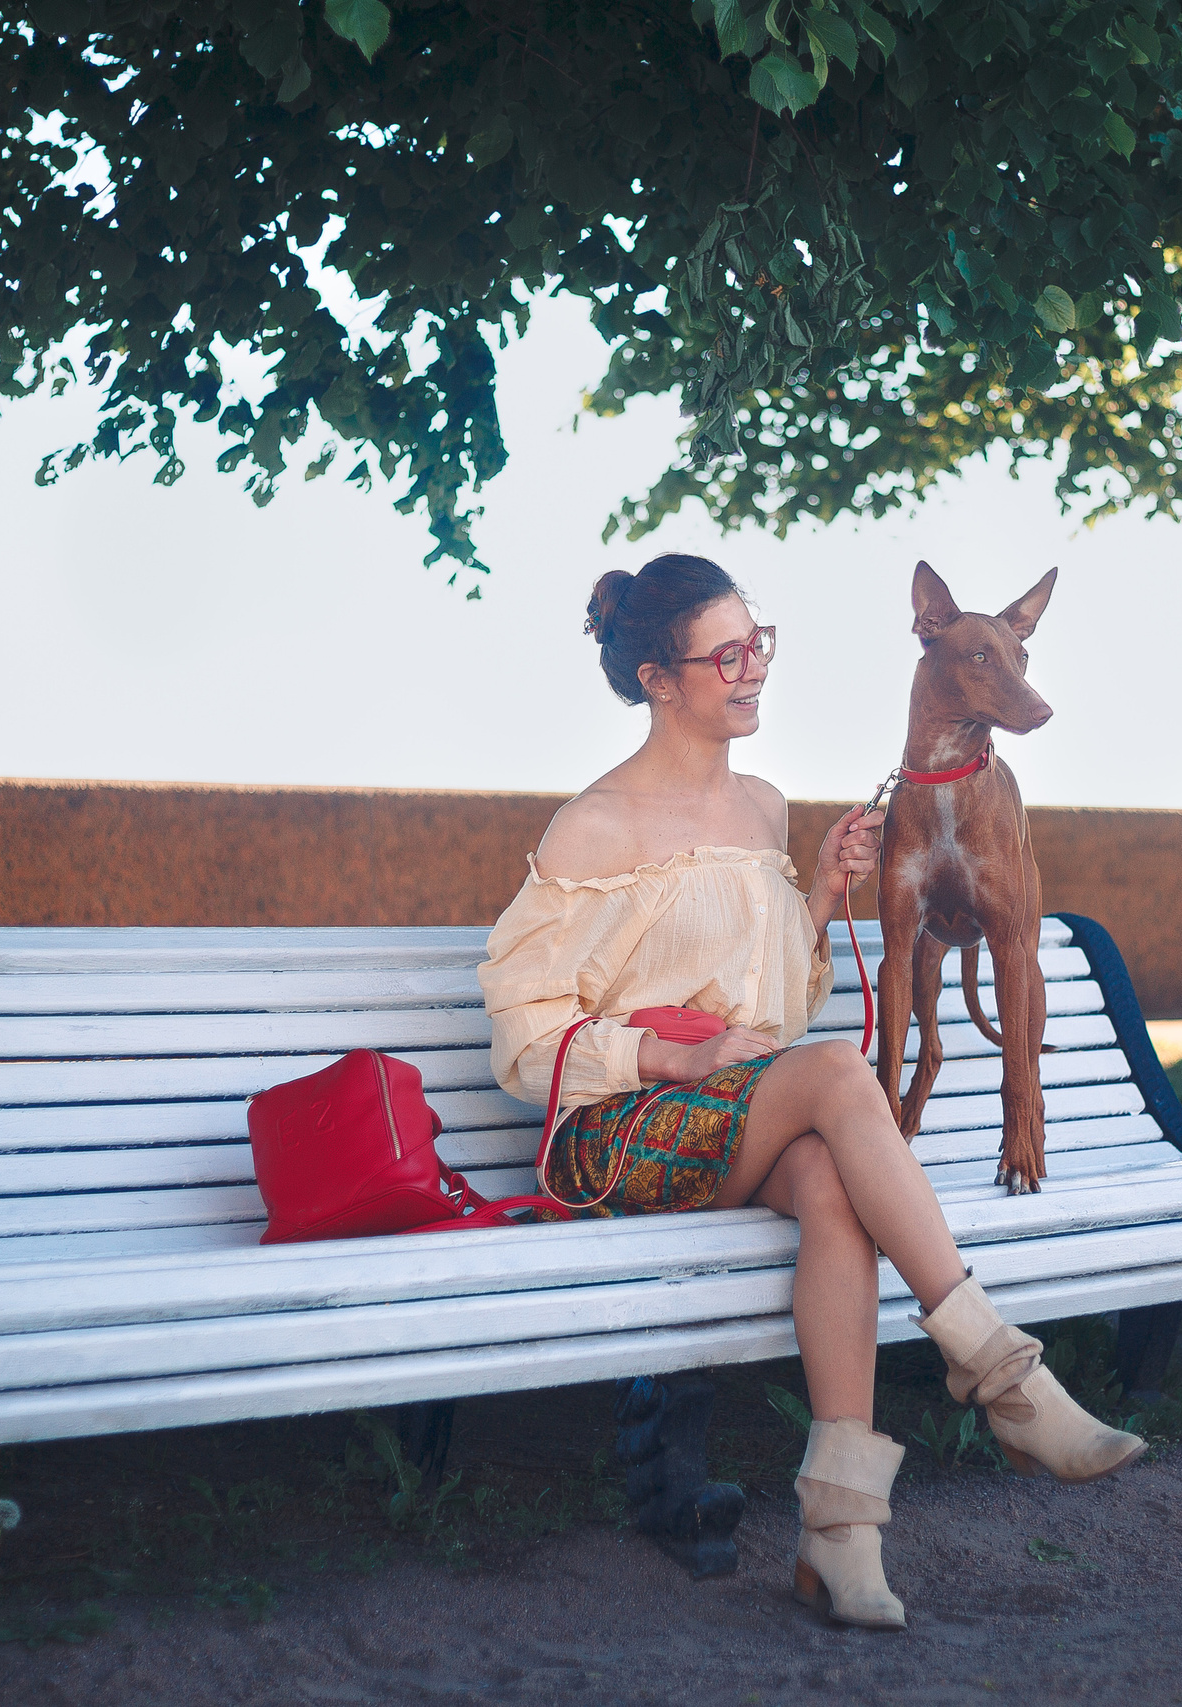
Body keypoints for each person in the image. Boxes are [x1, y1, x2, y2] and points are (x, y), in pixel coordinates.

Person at [478, 554, 1143, 1633]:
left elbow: (772, 1015)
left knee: (834, 1183)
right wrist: (667, 1059)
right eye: (726, 656)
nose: (754, 670)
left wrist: (822, 893)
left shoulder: (761, 807)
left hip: (726, 1118)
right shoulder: (592, 826)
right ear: (657, 680)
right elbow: (524, 1034)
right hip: (614, 1137)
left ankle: (840, 1533)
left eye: (760, 644)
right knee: (838, 1070)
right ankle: (1006, 1377)